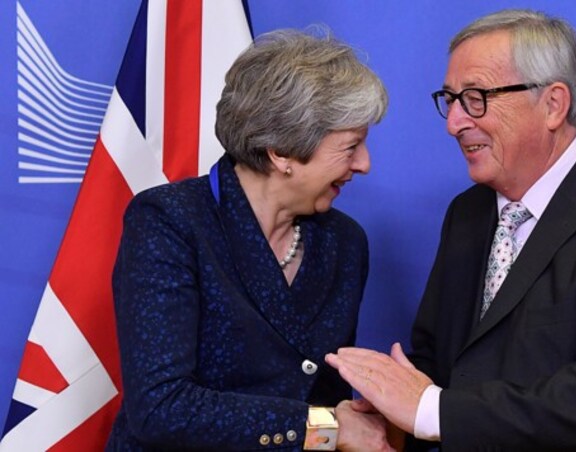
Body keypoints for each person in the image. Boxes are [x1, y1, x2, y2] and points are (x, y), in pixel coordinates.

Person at [326, 9, 576, 451]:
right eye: (450, 99)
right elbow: (441, 365)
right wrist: (390, 420)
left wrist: (429, 412)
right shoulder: (468, 213)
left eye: (476, 98)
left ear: (553, 104)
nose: (454, 123)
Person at [107, 29, 393, 451]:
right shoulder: (170, 221)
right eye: (351, 147)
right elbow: (160, 407)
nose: (365, 164)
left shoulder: (344, 242)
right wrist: (326, 427)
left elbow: (323, 394)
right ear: (282, 151)